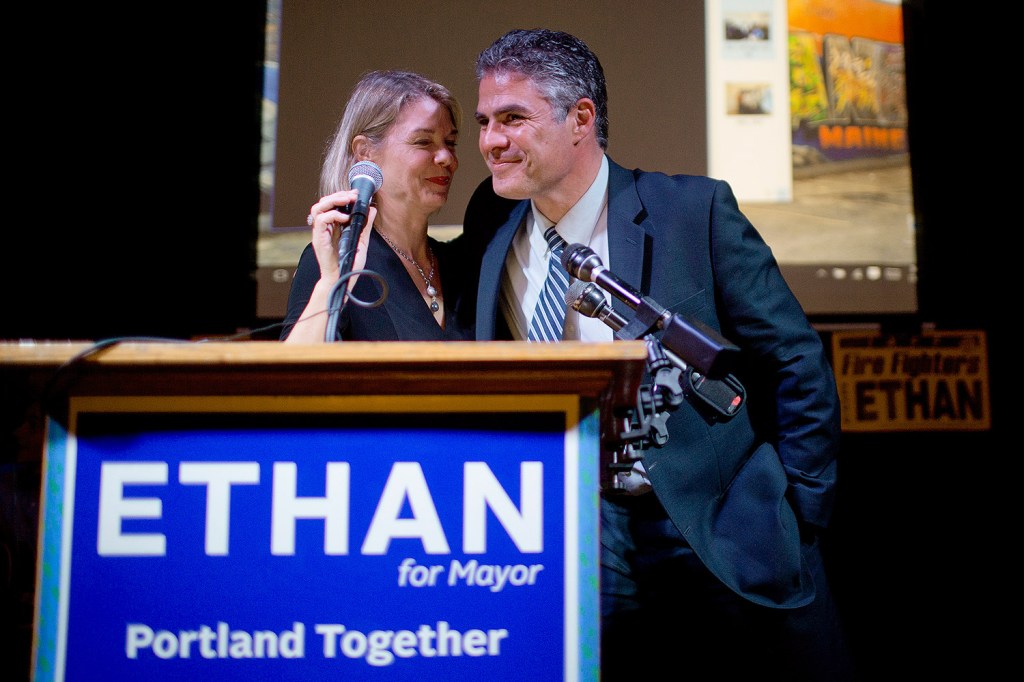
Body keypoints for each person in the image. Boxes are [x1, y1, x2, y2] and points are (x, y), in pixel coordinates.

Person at [464, 29, 854, 680]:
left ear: (580, 118)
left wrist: (800, 509)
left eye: (512, 119)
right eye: (482, 122)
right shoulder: (494, 243)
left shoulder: (692, 211)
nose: (489, 142)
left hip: (715, 527)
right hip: (578, 538)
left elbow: (795, 360)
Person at [281, 70, 473, 342]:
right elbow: (291, 379)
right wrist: (330, 282)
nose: (446, 157)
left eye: (450, 143)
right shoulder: (336, 259)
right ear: (364, 152)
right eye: (423, 142)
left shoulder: (460, 266)